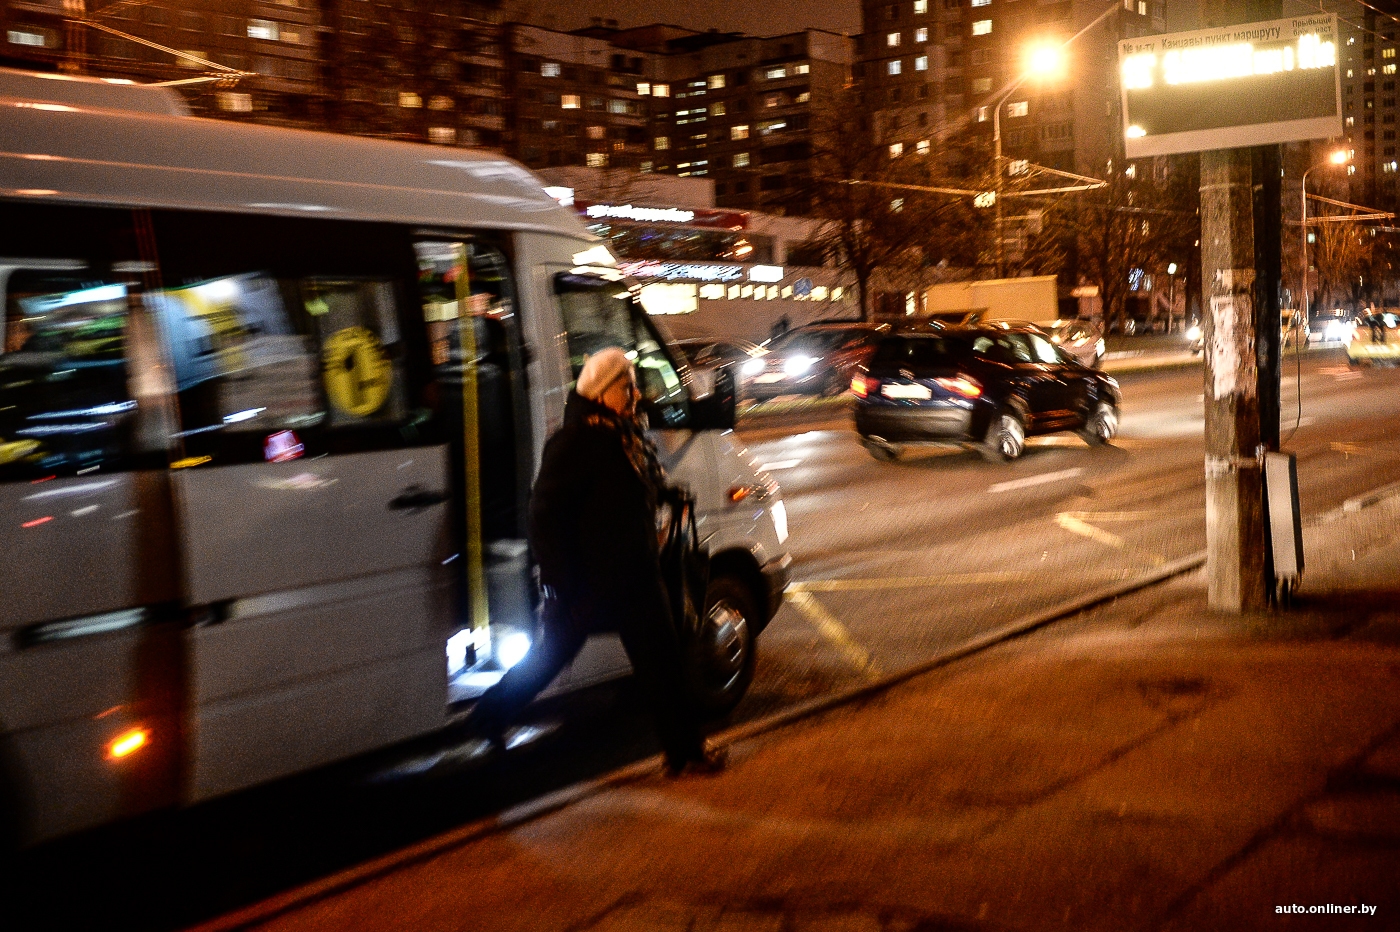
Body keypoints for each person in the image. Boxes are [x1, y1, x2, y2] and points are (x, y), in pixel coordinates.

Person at [466, 347, 726, 777]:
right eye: (628, 387)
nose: (636, 394)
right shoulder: (575, 440)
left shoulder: (625, 434)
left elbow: (628, 489)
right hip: (588, 586)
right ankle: (489, 715)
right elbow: (543, 515)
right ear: (604, 392)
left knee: (664, 665)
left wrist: (666, 496)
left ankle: (686, 753)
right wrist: (559, 584)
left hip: (638, 577)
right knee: (546, 661)